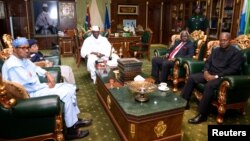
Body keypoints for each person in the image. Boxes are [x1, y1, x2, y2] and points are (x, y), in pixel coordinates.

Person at [1, 37, 92, 139]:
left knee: (70, 87)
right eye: (23, 48)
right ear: (14, 49)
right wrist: (46, 85)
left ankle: (74, 120)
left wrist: (47, 73)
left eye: (27, 47)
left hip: (36, 89)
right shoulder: (13, 65)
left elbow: (34, 67)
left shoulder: (22, 59)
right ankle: (71, 130)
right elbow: (26, 86)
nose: (27, 50)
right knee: (66, 92)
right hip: (29, 95)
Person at [181, 32, 245, 124]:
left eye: (225, 40)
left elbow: (233, 69)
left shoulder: (236, 53)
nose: (222, 42)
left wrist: (216, 76)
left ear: (230, 41)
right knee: (192, 77)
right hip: (210, 73)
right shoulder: (216, 50)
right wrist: (206, 72)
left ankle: (202, 115)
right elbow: (208, 62)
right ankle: (184, 102)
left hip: (223, 77)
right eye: (221, 40)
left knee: (210, 85)